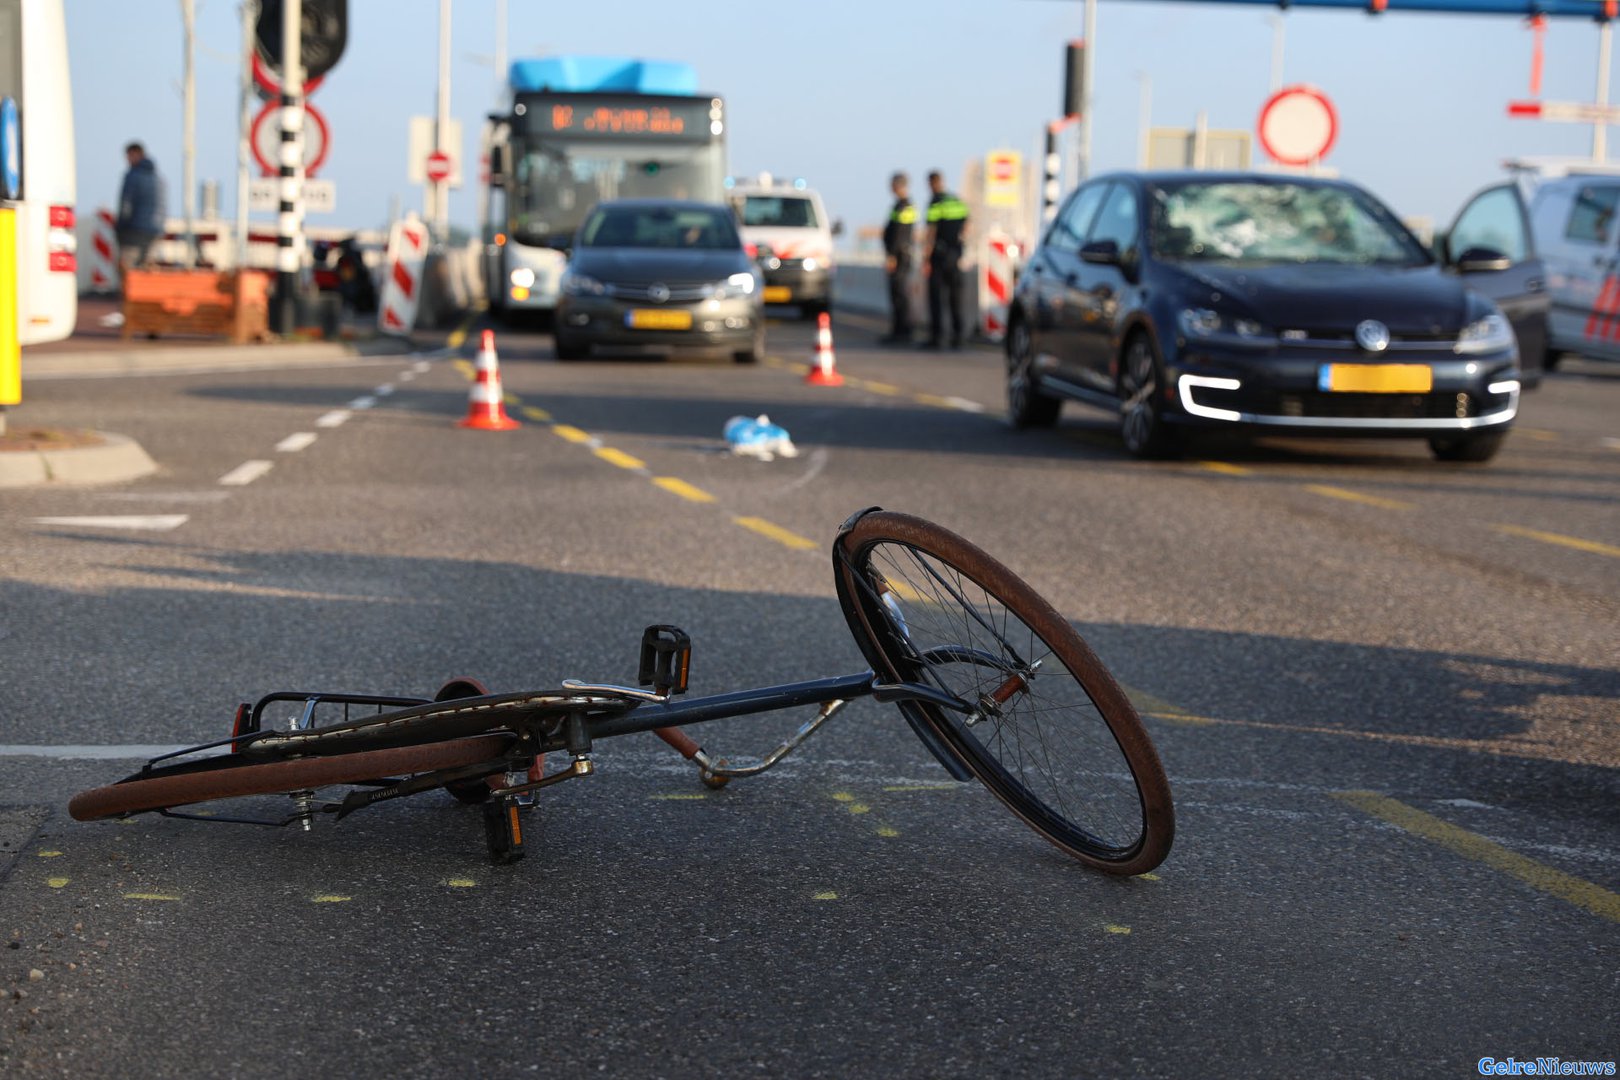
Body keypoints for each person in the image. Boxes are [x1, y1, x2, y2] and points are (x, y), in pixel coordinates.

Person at [922, 169, 969, 350]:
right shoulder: (956, 201)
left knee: (936, 297)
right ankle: (958, 336)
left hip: (939, 256)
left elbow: (930, 232)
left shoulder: (935, 203)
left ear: (931, 183)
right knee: (955, 297)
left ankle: (937, 337)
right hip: (955, 255)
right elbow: (966, 226)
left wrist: (926, 258)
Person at [115, 142, 165, 272]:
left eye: (128, 156)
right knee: (147, 270)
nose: (127, 160)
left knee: (129, 269)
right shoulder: (158, 177)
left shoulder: (133, 176)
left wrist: (120, 227)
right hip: (156, 229)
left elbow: (126, 206)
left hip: (135, 231)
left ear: (135, 154)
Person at [880, 171, 917, 345]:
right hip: (899, 255)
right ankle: (898, 331)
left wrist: (893, 255)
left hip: (901, 256)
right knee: (896, 294)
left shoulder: (905, 206)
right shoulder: (900, 205)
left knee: (900, 294)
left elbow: (900, 234)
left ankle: (903, 332)